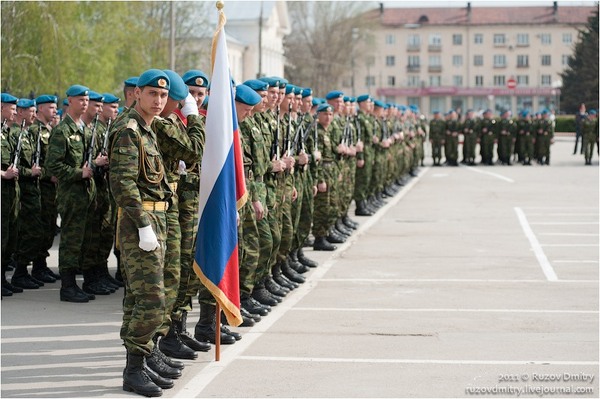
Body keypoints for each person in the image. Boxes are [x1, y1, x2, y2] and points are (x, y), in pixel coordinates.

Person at [109, 69, 175, 397]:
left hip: (156, 220)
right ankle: (133, 370)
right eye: (152, 94)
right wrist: (143, 225)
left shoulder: (149, 129)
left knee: (139, 297)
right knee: (153, 299)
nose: (159, 101)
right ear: (137, 93)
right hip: (139, 224)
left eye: (163, 96)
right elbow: (122, 182)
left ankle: (141, 362)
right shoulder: (128, 129)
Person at [46, 85, 98, 302]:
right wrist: (80, 172)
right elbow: (52, 166)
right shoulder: (62, 131)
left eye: (86, 100)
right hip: (71, 194)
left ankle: (75, 284)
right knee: (70, 240)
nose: (84, 103)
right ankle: (67, 286)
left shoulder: (83, 128)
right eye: (80, 100)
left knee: (82, 240)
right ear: (69, 101)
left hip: (85, 193)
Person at [28, 95, 61, 283]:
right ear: (40, 109)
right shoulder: (34, 131)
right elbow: (34, 160)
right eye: (50, 107)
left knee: (48, 228)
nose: (54, 110)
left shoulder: (51, 130)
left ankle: (41, 265)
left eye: (55, 107)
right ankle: (33, 268)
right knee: (38, 229)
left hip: (51, 189)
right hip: (39, 187)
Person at [1, 93, 21, 297]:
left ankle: (2, 279)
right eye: (12, 107)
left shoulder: (6, 132)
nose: (15, 111)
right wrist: (3, 174)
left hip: (9, 193)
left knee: (8, 237)